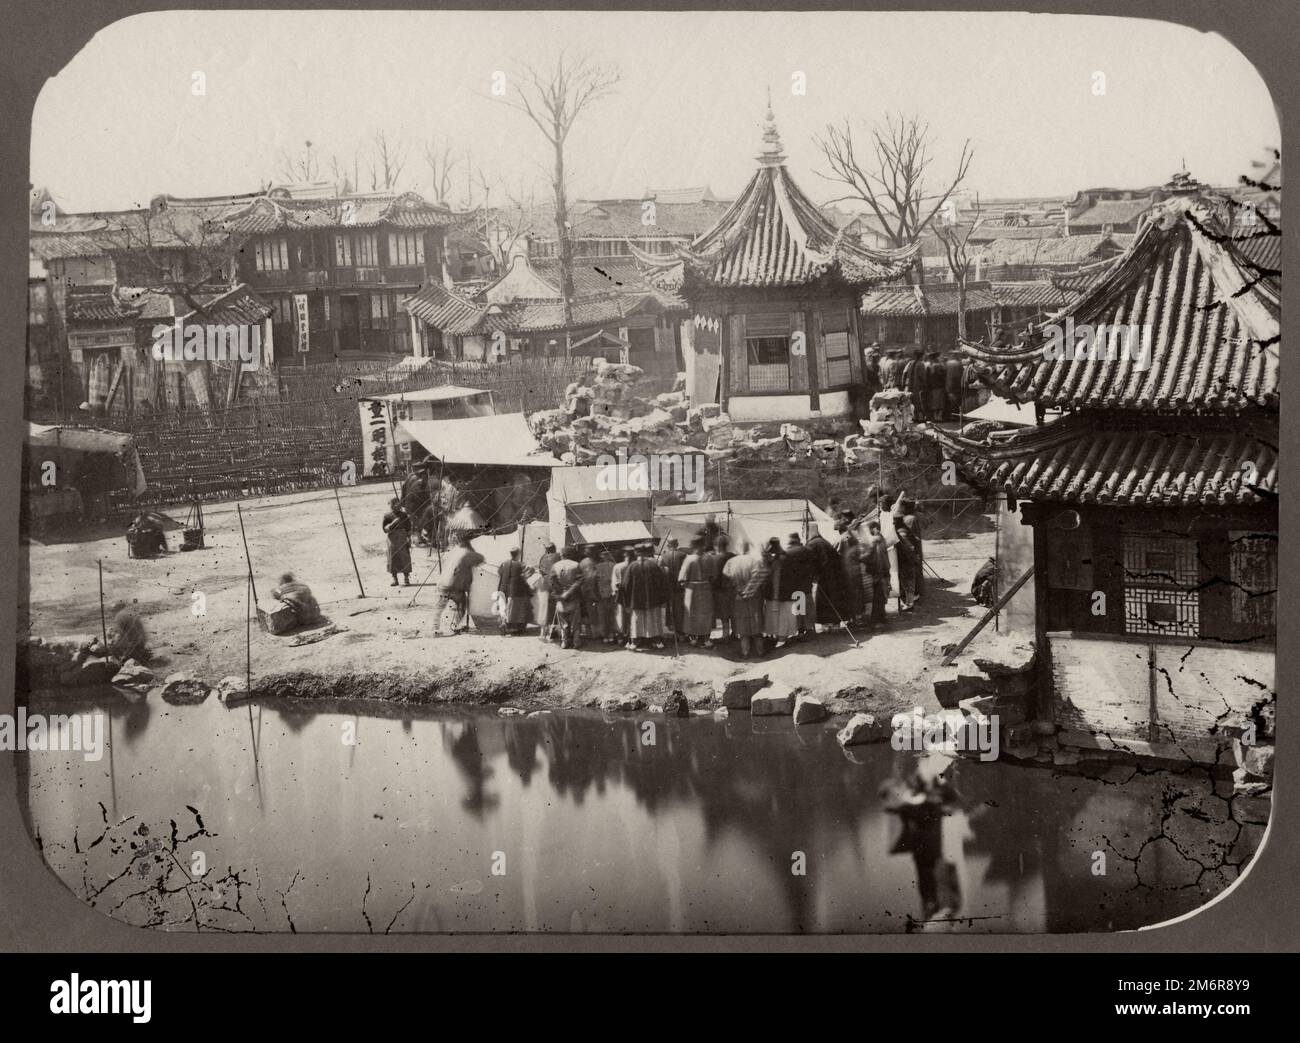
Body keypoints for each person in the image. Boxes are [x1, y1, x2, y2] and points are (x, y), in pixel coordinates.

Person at [432, 535, 484, 635]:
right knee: (462, 605)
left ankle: (435, 628)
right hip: (455, 587)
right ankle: (455, 625)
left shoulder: (454, 550)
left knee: (439, 607)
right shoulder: (468, 553)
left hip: (443, 583)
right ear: (468, 542)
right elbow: (481, 559)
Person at [621, 542, 669, 651]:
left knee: (637, 620)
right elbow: (661, 583)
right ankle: (656, 641)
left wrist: (627, 600)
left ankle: (635, 642)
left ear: (636, 553)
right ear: (646, 552)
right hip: (652, 600)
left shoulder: (631, 566)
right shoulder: (653, 565)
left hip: (635, 600)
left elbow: (625, 585)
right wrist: (661, 598)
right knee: (653, 619)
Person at [723, 540, 767, 658]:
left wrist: (738, 588)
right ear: (748, 548)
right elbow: (761, 578)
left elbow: (727, 578)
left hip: (739, 595)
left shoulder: (731, 562)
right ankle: (760, 651)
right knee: (756, 623)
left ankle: (745, 652)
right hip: (754, 595)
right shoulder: (755, 561)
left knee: (742, 625)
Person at [807, 522, 850, 633]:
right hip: (835, 575)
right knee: (834, 599)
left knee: (824, 600)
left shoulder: (812, 544)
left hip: (825, 577)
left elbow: (812, 562)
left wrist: (814, 574)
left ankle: (827, 624)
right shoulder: (824, 541)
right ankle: (835, 623)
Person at [677, 537, 716, 648]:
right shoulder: (709, 558)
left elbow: (681, 578)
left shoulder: (689, 559)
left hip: (692, 589)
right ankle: (706, 639)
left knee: (691, 613)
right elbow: (714, 576)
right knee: (705, 614)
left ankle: (693, 638)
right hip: (705, 588)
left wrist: (686, 585)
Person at [762, 538, 797, 649]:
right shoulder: (785, 557)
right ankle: (783, 638)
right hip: (787, 593)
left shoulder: (778, 560)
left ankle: (781, 639)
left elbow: (776, 579)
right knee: (786, 617)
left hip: (778, 595)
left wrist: (775, 596)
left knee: (779, 617)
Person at [548, 547, 585, 649]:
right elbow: (580, 581)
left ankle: (564, 642)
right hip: (573, 597)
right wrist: (568, 592)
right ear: (571, 554)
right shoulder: (576, 565)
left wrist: (560, 592)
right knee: (575, 621)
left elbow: (551, 582)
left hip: (560, 598)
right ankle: (576, 642)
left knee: (563, 621)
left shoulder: (555, 566)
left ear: (561, 555)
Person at [781, 532, 815, 639]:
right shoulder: (808, 550)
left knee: (799, 609)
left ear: (790, 541)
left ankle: (801, 631)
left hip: (794, 586)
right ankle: (810, 629)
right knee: (808, 608)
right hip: (806, 585)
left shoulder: (787, 553)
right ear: (798, 539)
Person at [705, 533, 736, 640]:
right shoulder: (733, 555)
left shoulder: (715, 559)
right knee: (733, 613)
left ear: (716, 546)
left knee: (724, 615)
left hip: (721, 590)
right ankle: (735, 633)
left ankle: (725, 635)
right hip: (733, 588)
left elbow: (715, 576)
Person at [496, 547, 533, 635]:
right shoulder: (520, 564)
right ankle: (516, 627)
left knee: (505, 608)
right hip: (516, 590)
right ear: (518, 554)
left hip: (504, 589)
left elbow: (499, 572)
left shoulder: (504, 563)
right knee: (519, 607)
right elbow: (531, 570)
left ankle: (505, 625)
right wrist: (524, 577)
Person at [836, 522, 865, 625]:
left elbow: (838, 551)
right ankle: (858, 617)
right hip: (856, 569)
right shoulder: (853, 538)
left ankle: (854, 618)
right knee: (857, 594)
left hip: (848, 571)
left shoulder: (844, 537)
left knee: (851, 595)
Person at [862, 520, 890, 627]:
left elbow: (868, 555)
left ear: (874, 528)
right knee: (881, 596)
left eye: (870, 530)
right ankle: (882, 617)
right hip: (884, 570)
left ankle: (877, 620)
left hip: (878, 571)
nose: (869, 532)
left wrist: (859, 558)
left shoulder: (874, 540)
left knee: (877, 596)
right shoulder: (882, 538)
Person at [658, 536, 688, 635]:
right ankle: (681, 630)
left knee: (670, 607)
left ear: (668, 545)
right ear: (677, 545)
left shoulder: (664, 556)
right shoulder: (683, 555)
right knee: (680, 608)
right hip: (681, 586)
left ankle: (672, 628)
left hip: (669, 586)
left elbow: (661, 571)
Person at [382, 497, 412, 587]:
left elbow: (408, 527)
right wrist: (392, 524)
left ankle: (406, 578)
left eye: (397, 504)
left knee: (404, 557)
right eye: (393, 504)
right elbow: (384, 529)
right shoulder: (387, 516)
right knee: (392, 558)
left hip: (402, 538)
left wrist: (409, 538)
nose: (395, 506)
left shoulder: (404, 515)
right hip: (392, 538)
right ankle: (395, 579)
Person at [401, 465, 432, 546]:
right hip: (415, 504)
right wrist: (428, 501)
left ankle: (414, 539)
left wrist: (402, 501)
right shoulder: (419, 481)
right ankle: (416, 540)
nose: (427, 477)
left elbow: (403, 488)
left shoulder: (409, 476)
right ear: (422, 474)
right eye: (425, 475)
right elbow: (420, 494)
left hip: (410, 503)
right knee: (417, 522)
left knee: (413, 522)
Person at [536, 542, 561, 643]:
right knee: (555, 608)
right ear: (554, 548)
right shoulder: (558, 556)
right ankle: (553, 631)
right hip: (554, 584)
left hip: (543, 584)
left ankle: (542, 633)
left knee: (543, 608)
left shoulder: (542, 557)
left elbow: (540, 570)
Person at [610, 547, 635, 644]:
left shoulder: (618, 566)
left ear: (624, 554)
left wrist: (615, 593)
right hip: (632, 594)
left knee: (620, 616)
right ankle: (631, 636)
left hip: (620, 594)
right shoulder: (635, 565)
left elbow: (614, 583)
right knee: (632, 615)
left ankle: (621, 637)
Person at [895, 522, 921, 611]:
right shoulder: (907, 532)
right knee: (908, 584)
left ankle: (910, 604)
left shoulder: (901, 534)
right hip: (910, 562)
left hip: (907, 563)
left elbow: (907, 549)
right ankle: (910, 602)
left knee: (908, 584)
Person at [579, 544, 602, 641]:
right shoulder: (598, 562)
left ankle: (589, 632)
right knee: (596, 612)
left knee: (587, 612)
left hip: (585, 590)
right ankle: (596, 633)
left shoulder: (582, 563)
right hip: (596, 590)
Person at [596, 548, 617, 643]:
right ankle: (611, 634)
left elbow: (595, 581)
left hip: (601, 594)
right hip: (611, 593)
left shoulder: (597, 566)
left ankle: (605, 636)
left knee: (602, 615)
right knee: (611, 614)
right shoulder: (614, 565)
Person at [944, 352, 965, 421]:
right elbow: (962, 374)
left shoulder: (947, 363)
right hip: (957, 385)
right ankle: (955, 416)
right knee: (957, 401)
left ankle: (949, 416)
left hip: (948, 385)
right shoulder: (959, 364)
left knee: (949, 401)